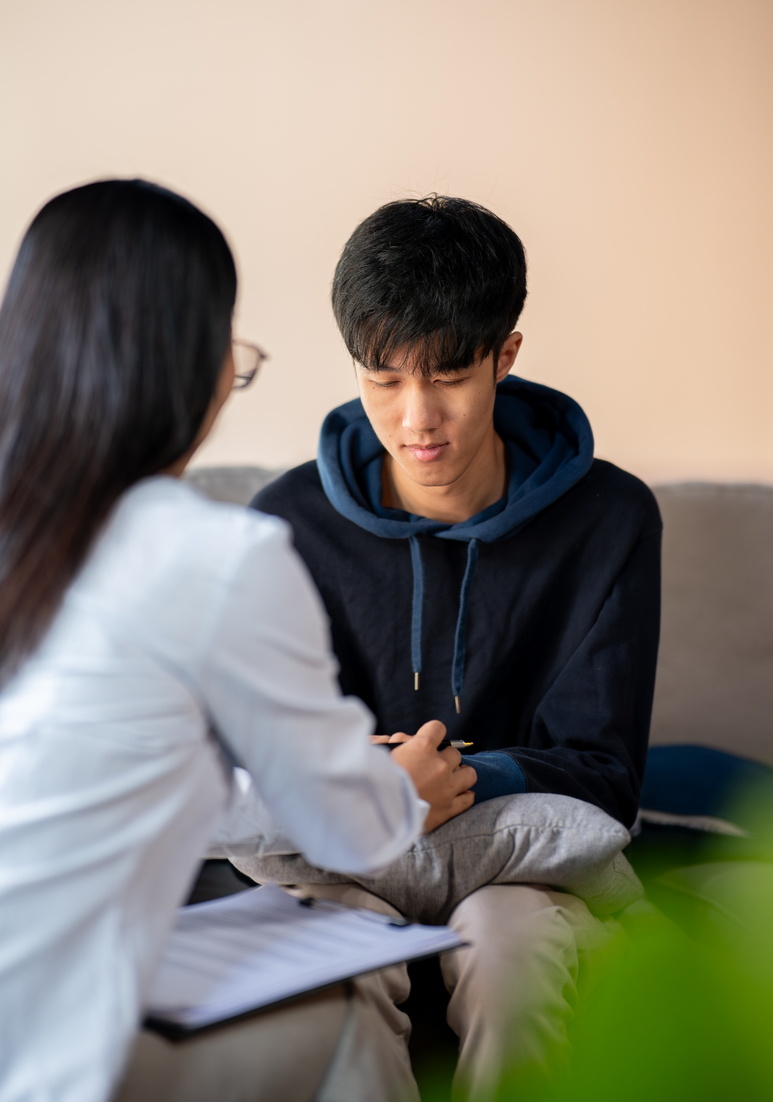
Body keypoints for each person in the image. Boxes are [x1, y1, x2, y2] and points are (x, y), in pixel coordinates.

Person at [0, 180, 476, 1102]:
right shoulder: (214, 554)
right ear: (189, 361)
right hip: (33, 1062)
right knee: (348, 1007)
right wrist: (399, 793)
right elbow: (346, 825)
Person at [246, 194, 662, 1097]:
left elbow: (605, 772)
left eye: (448, 375)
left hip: (520, 868)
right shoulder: (280, 525)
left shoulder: (610, 519)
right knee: (328, 995)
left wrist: (449, 784)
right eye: (383, 378)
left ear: (504, 354)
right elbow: (248, 753)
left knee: (512, 962)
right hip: (338, 860)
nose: (415, 417)